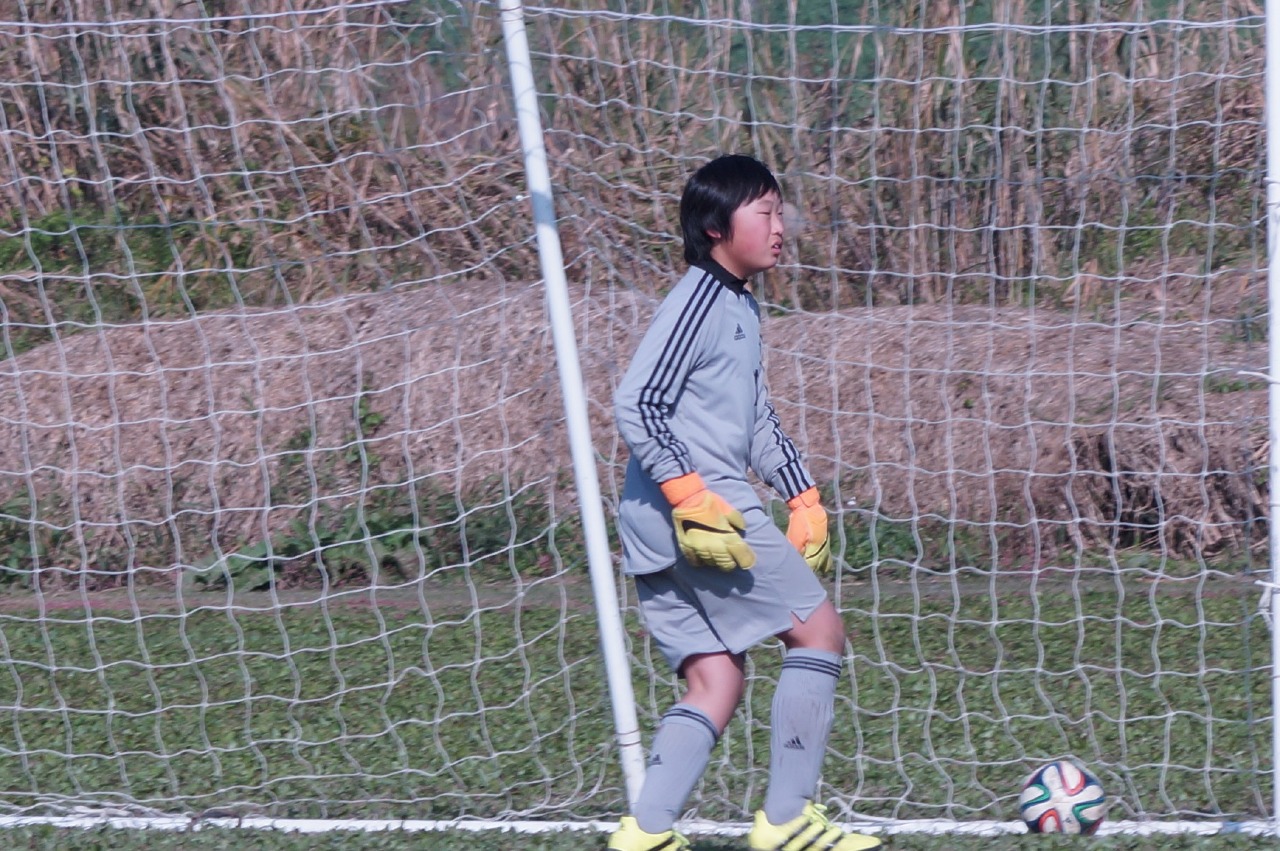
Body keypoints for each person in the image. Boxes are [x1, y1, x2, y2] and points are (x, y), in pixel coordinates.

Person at [607, 154, 882, 851]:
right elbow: (637, 402)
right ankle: (787, 821)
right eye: (764, 213)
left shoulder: (739, 305)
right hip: (704, 513)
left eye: (780, 212)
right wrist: (689, 494)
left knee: (715, 678)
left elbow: (756, 417)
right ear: (715, 226)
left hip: (654, 522)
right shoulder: (699, 300)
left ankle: (645, 833)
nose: (779, 226)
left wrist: (803, 496)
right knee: (819, 633)